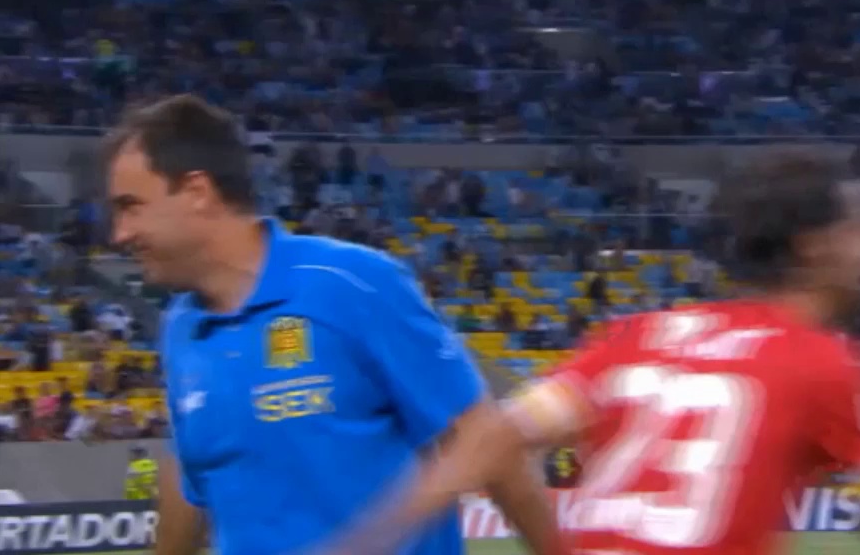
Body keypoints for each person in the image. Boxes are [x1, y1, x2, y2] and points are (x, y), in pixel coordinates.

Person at [340, 155, 860, 554]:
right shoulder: (825, 362)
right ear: (814, 247)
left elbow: (500, 434)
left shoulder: (638, 335)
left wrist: (370, 536)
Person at [104, 94, 559, 555]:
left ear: (197, 191)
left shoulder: (351, 284)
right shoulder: (182, 328)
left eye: (131, 206)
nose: (119, 233)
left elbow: (487, 442)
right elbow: (192, 477)